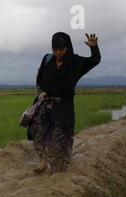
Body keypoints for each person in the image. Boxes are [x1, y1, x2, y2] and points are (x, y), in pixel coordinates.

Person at [32, 32, 101, 173]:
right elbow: (40, 78)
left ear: (67, 47)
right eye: (55, 49)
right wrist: (42, 91)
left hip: (64, 106)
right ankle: (42, 162)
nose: (57, 52)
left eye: (61, 49)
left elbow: (95, 60)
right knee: (38, 132)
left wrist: (94, 47)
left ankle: (58, 169)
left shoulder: (76, 62)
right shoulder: (47, 59)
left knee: (61, 137)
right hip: (46, 103)